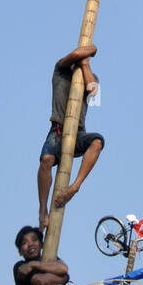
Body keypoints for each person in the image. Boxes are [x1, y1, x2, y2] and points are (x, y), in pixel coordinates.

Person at [38, 44, 104, 229]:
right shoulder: (60, 70)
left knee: (97, 142)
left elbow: (92, 89)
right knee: (46, 161)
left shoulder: (89, 76)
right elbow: (75, 53)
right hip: (57, 129)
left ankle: (75, 186)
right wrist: (91, 51)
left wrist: (85, 64)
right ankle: (42, 209)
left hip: (77, 132)